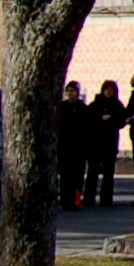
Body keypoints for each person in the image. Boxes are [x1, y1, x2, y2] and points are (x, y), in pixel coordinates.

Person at [85, 80, 131, 209]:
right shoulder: (95, 104)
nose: (109, 92)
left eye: (111, 90)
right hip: (95, 141)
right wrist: (100, 118)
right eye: (107, 89)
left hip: (110, 141)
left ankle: (106, 199)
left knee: (108, 172)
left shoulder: (117, 105)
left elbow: (122, 121)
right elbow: (88, 118)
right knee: (92, 171)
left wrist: (112, 120)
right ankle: (89, 198)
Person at [56, 81, 90, 212]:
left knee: (77, 176)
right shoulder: (62, 108)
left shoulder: (83, 108)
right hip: (64, 147)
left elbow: (87, 128)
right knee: (65, 175)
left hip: (79, 147)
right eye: (68, 91)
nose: (71, 93)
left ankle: (76, 200)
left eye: (73, 91)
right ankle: (65, 200)